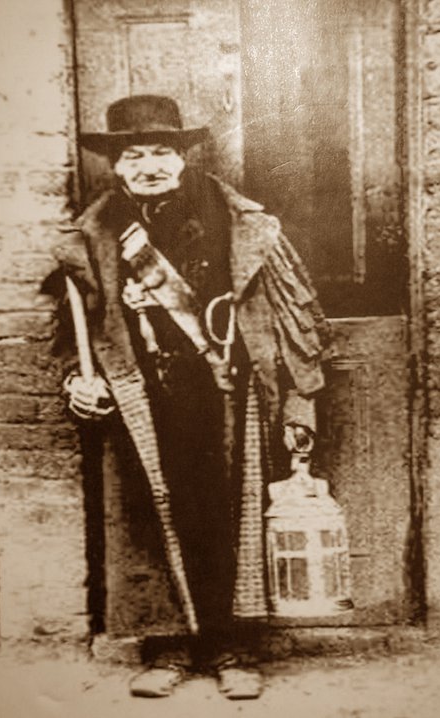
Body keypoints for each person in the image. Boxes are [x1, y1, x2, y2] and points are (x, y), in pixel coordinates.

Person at [43, 95, 332, 699]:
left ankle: (233, 648)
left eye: (161, 152)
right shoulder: (94, 235)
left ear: (183, 157)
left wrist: (298, 403)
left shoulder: (241, 221)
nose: (149, 165)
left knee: (227, 515)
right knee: (153, 520)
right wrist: (80, 379)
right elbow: (73, 331)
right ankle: (167, 647)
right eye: (135, 155)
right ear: (116, 167)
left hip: (228, 387)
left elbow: (294, 320)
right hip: (139, 394)